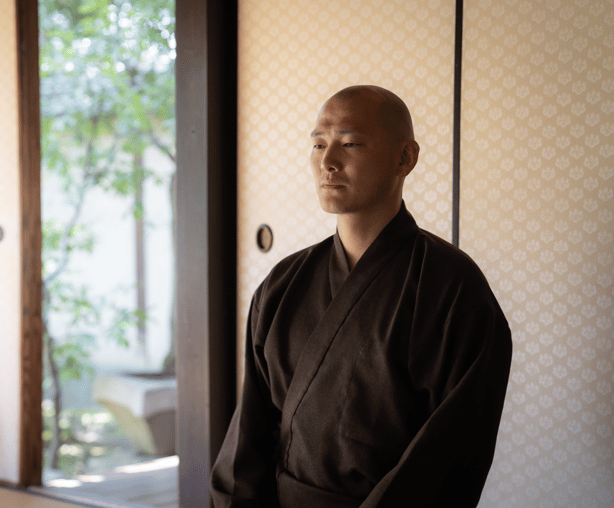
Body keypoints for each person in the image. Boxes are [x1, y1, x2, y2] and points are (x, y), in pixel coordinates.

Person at [210, 85, 512, 507]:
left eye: (349, 143)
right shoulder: (283, 284)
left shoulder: (452, 288)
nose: (327, 162)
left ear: (405, 158)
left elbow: (450, 457)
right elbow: (249, 437)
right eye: (318, 144)